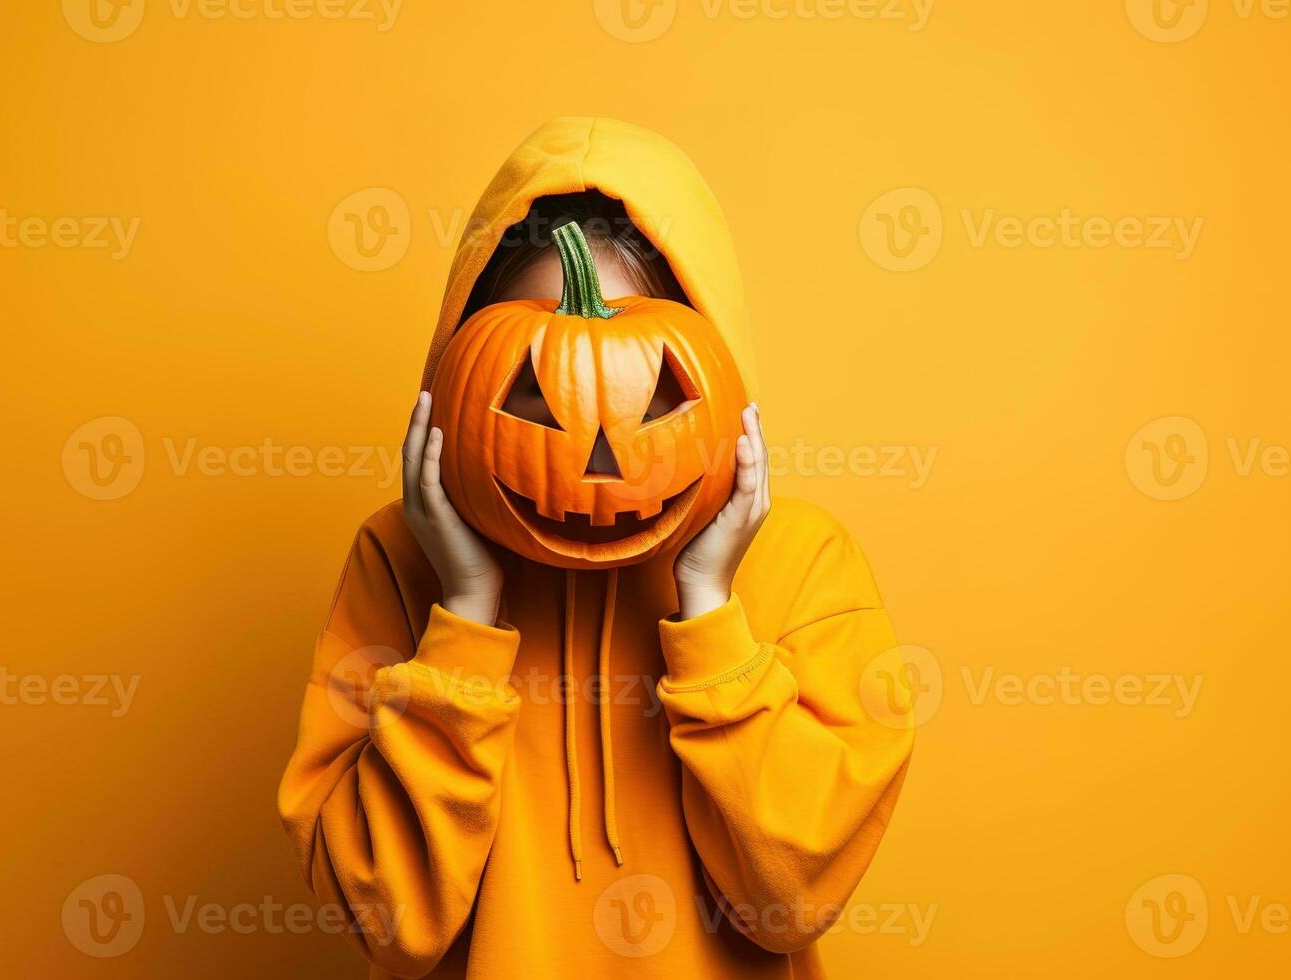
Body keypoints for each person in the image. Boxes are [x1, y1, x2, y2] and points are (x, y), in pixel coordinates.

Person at [280, 117, 913, 979]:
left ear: (715, 365)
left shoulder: (803, 561)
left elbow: (789, 900)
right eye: (535, 394)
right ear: (458, 370)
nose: (598, 460)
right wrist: (463, 614)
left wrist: (711, 612)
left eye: (649, 393)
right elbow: (386, 921)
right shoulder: (399, 558)